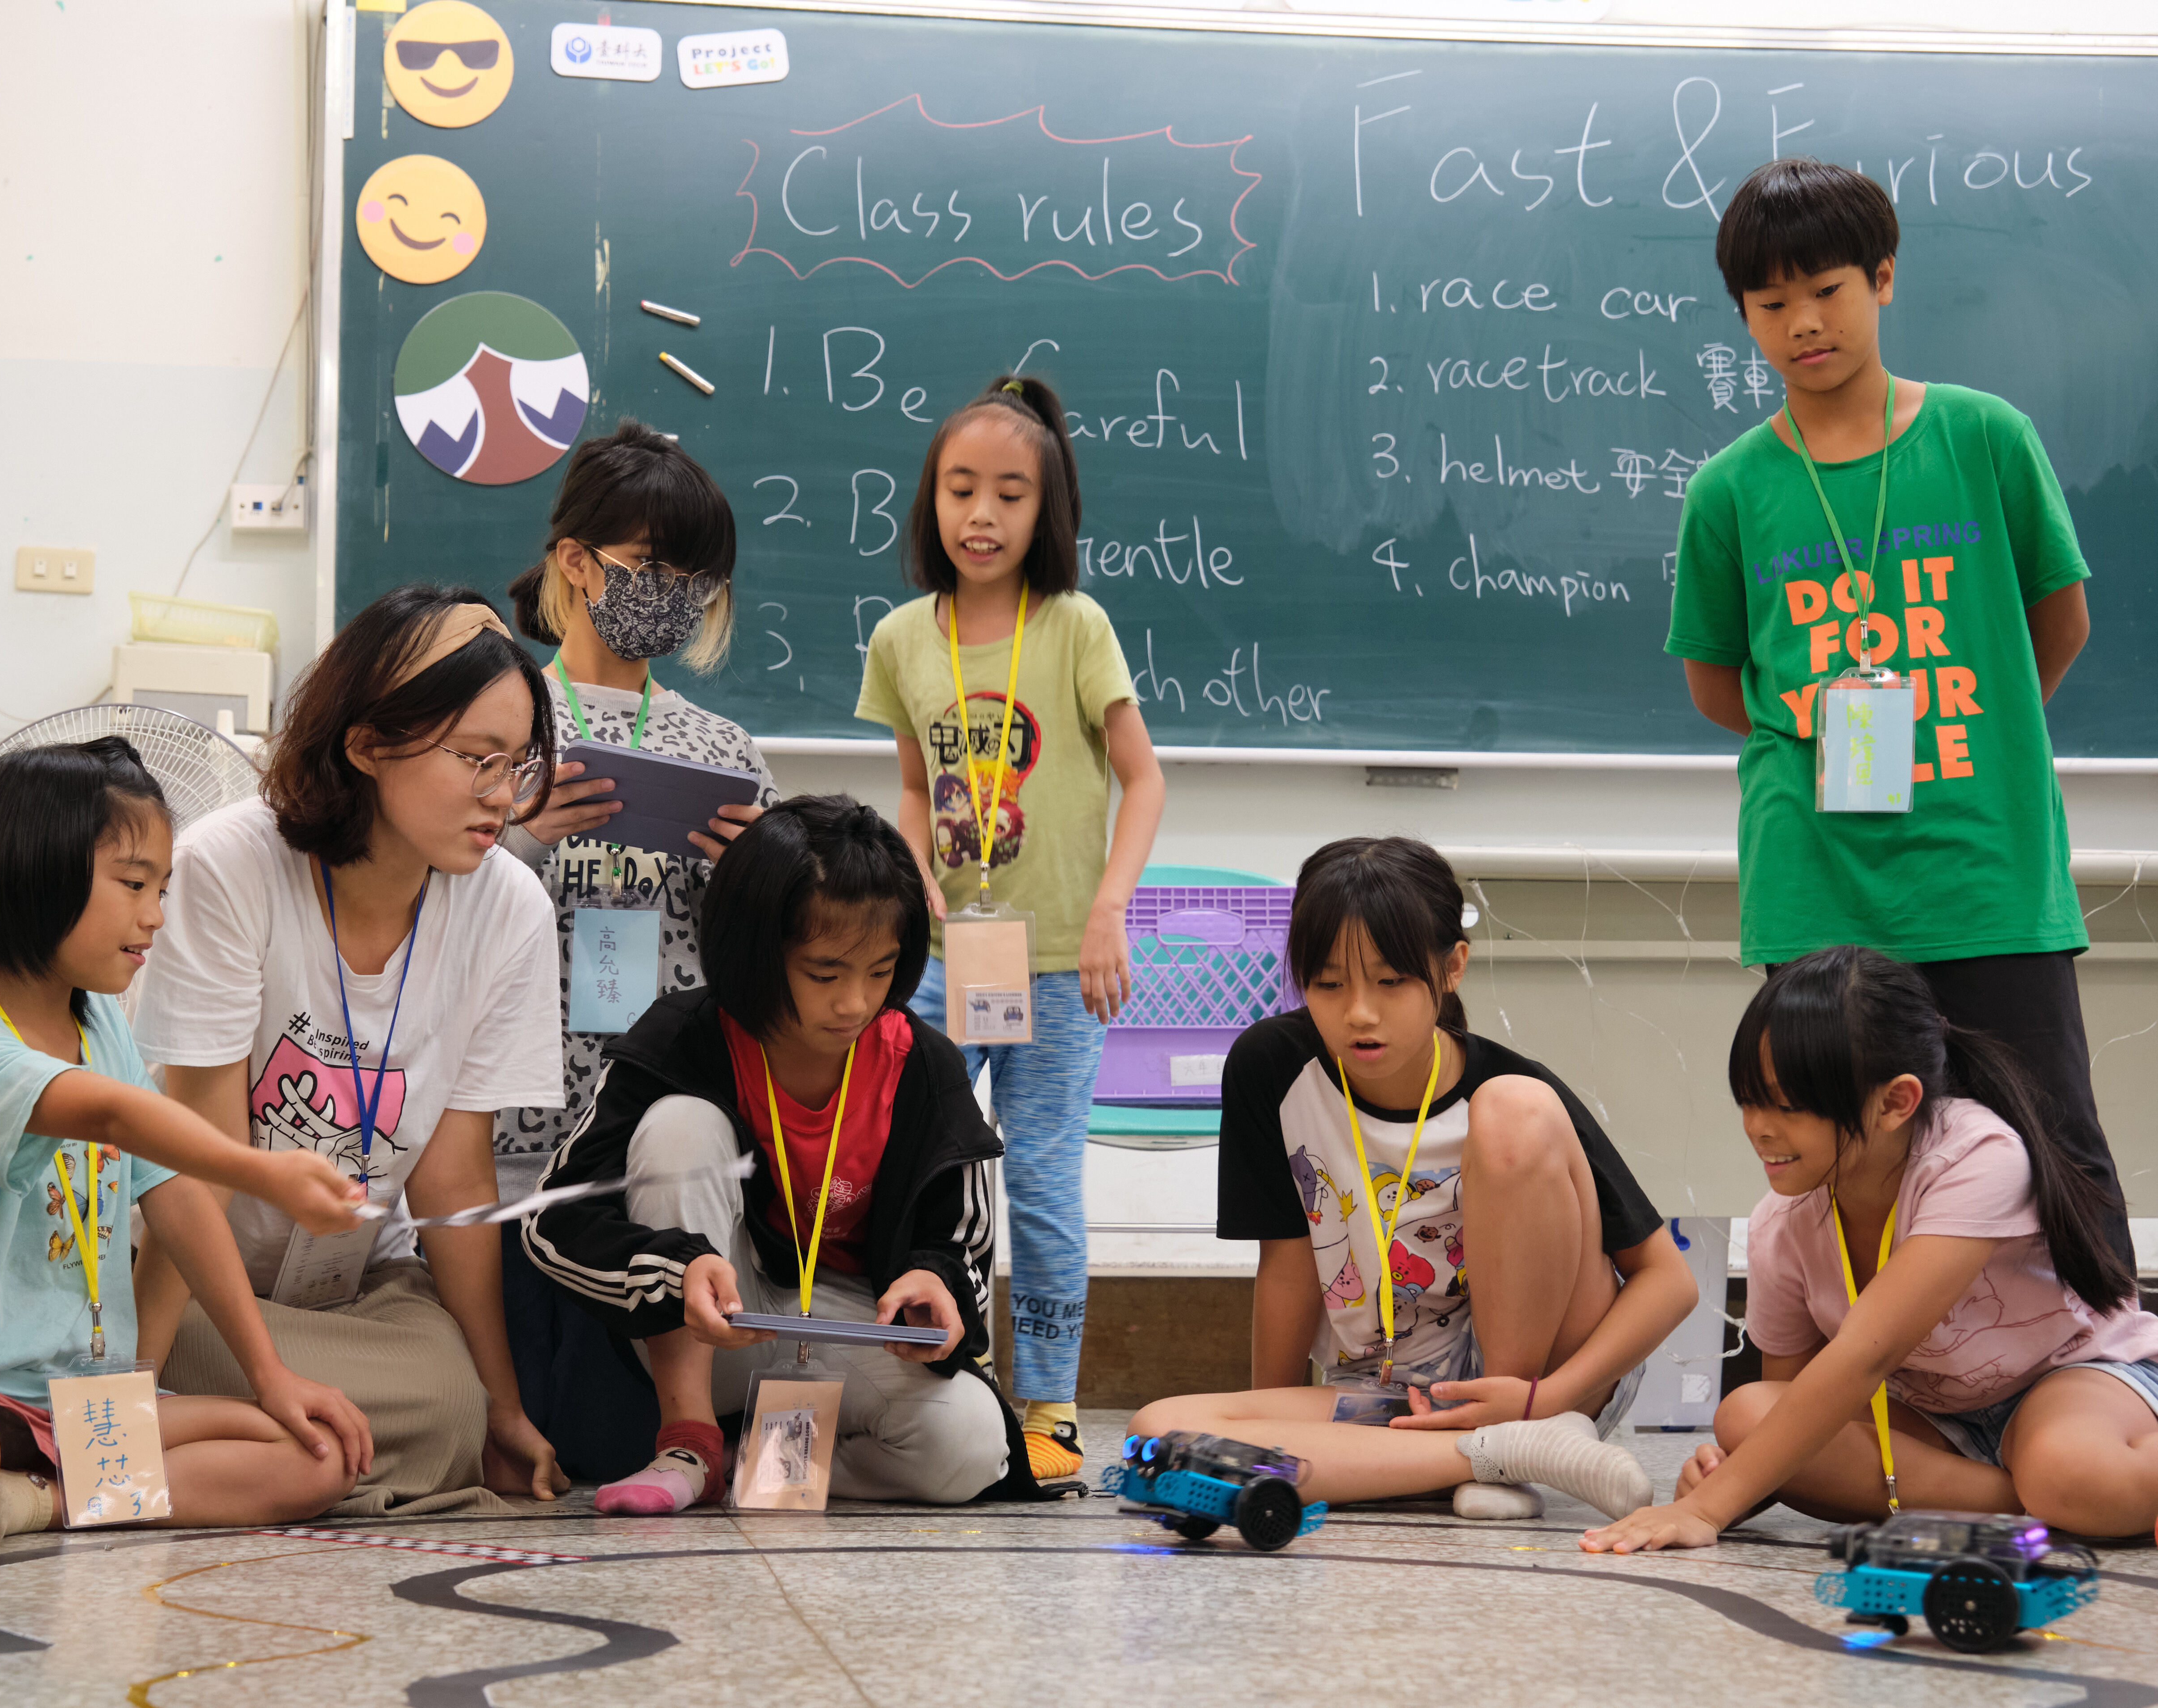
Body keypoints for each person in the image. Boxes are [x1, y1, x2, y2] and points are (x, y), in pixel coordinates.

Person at [1665, 157, 2130, 1276]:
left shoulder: (1982, 437)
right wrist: (1820, 734)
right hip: (1814, 882)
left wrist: (1966, 739)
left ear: (1882, 279)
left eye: (1823, 289)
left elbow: (2050, 628)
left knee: (2049, 1142)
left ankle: (2115, 1381)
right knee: (1844, 1164)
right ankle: (1879, 1406)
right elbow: (1719, 683)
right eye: (1768, 306)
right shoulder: (1728, 490)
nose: (1800, 324)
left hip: (1984, 871)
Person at [0, 739, 372, 1555]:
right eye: (132, 884)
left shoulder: (102, 1027)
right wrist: (260, 1167)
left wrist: (271, 1374)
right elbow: (111, 1117)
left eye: (162, 888)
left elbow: (179, 1201)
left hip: (79, 1401)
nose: (155, 913)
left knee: (315, 1456)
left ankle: (33, 1502)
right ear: (33, 873)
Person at [128, 586, 570, 1515]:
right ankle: (183, 1430)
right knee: (347, 1416)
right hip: (202, 1277)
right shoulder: (228, 867)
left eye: (517, 763)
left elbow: (454, 1176)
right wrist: (129, 1382)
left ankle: (237, 1444)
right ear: (368, 744)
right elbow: (192, 1158)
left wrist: (501, 1405)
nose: (504, 795)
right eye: (474, 759)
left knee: (448, 1414)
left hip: (360, 1290)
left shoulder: (509, 908)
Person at [1129, 837, 1697, 1520]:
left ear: (1452, 966)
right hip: (1388, 1388)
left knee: (1517, 1111)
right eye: (1328, 983)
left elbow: (1670, 1281)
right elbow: (1285, 1264)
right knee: (1160, 1431)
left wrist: (1539, 1397)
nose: (1359, 1012)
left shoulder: (1506, 1087)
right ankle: (1495, 1458)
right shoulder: (1271, 1069)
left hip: (1542, 1381)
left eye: (1391, 981)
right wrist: (1263, 1430)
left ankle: (1518, 1431)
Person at [519, 794, 1014, 1512]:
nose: (856, 1002)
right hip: (713, 1330)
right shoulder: (685, 1036)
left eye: (881, 970)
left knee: (971, 1447)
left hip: (847, 1336)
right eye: (825, 973)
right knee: (679, 1123)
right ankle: (687, 1442)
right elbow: (552, 1219)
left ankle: (766, 1467)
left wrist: (934, 1280)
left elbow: (961, 1240)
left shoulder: (923, 1063)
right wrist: (676, 1269)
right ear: (759, 949)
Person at [1584, 946, 2158, 1553]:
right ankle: (2029, 1501)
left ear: (1896, 1102)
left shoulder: (1976, 1157)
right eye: (1748, 1100)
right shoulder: (1781, 1223)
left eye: (1789, 1105)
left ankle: (2052, 1492)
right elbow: (1795, 1393)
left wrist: (1706, 1506)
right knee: (1747, 1416)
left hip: (2071, 1377)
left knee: (2070, 1470)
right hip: (1939, 1423)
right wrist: (1739, 1481)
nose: (1759, 1127)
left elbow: (1861, 1359)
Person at [854, 372, 1166, 1478]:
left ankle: (1048, 1406)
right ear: (929, 502)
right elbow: (906, 785)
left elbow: (1143, 779)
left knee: (1040, 1179)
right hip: (938, 962)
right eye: (959, 490)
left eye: (1010, 495)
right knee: (907, 1162)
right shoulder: (900, 637)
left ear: (1049, 511)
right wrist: (904, 874)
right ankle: (921, 1372)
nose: (981, 515)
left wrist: (1105, 916)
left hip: (1049, 969)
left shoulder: (1074, 627)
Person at [492, 418, 777, 1197]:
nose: (674, 593)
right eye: (652, 565)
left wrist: (757, 881)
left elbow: (774, 953)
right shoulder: (500, 726)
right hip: (512, 1115)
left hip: (668, 1114)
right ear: (577, 563)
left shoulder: (726, 751)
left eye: (697, 577)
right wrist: (517, 842)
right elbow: (416, 905)